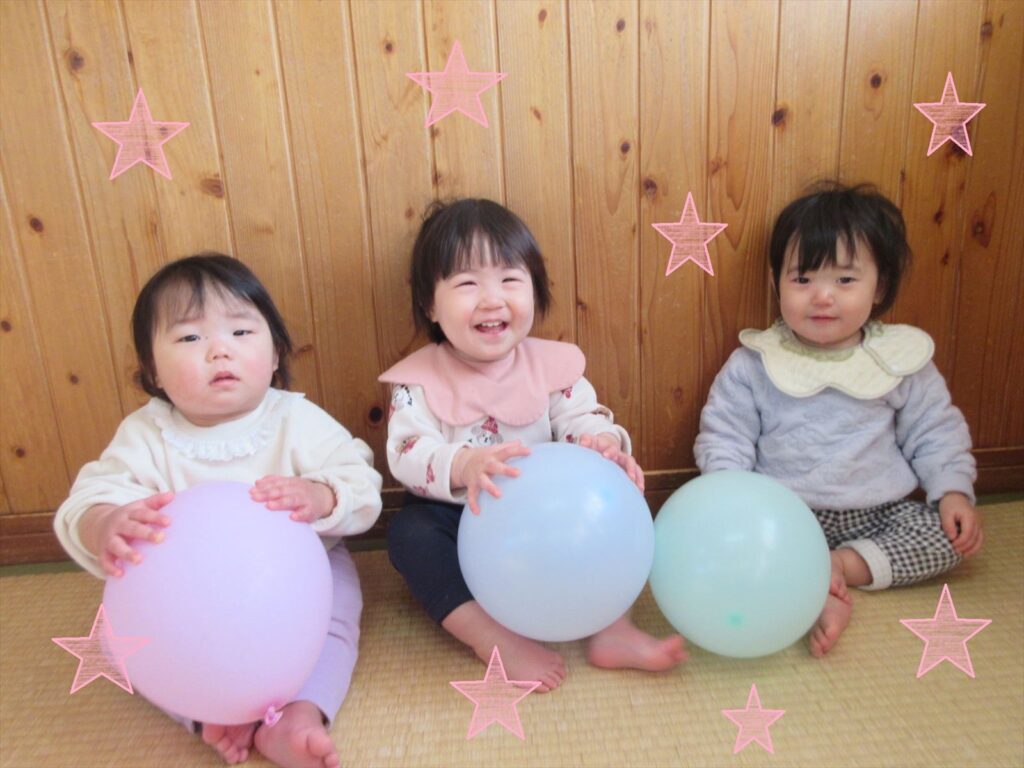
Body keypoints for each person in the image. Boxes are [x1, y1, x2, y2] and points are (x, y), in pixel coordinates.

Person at [53, 254, 382, 768]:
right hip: (184, 595)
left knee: (338, 616)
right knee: (120, 642)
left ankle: (301, 713)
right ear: (152, 370)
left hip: (301, 577)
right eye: (190, 337)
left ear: (275, 354)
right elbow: (93, 493)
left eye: (242, 332)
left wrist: (321, 494)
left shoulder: (295, 418)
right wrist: (104, 522)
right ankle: (208, 716)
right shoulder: (146, 434)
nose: (219, 350)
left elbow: (359, 478)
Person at [380, 199, 686, 691]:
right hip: (458, 517)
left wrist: (601, 445)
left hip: (548, 516)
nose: (492, 299)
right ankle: (491, 637)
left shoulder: (553, 368)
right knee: (409, 536)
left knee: (614, 499)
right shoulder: (419, 382)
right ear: (431, 306)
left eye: (509, 279)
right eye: (467, 284)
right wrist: (463, 464)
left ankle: (613, 628)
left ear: (536, 291)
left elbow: (582, 417)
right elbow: (406, 452)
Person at [694, 182, 983, 657]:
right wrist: (732, 498)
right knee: (719, 548)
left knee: (951, 538)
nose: (822, 297)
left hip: (879, 513)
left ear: (880, 287)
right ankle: (816, 587)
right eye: (803, 279)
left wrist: (953, 490)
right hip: (782, 517)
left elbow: (935, 431)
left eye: (845, 281)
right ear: (776, 283)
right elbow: (725, 435)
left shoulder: (898, 361)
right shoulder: (754, 363)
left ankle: (841, 567)